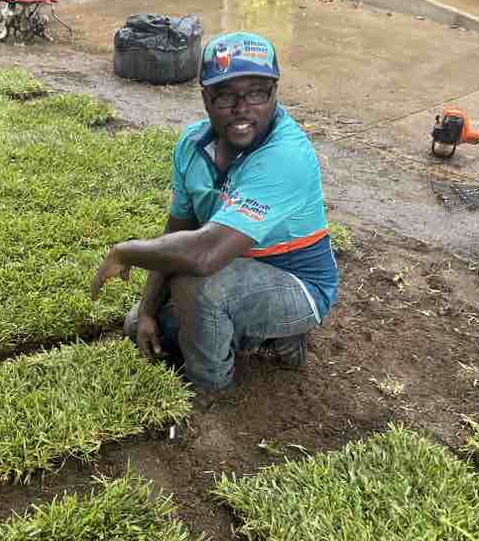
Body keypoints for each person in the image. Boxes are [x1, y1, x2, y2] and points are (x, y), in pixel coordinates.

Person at [90, 31, 339, 392]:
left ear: (273, 94)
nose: (242, 109)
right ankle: (261, 338)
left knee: (198, 285)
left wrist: (125, 250)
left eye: (256, 92)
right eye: (226, 95)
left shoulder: (285, 156)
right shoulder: (193, 147)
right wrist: (147, 310)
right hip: (232, 269)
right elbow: (180, 233)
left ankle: (211, 391)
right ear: (206, 97)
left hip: (299, 286)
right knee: (142, 329)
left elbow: (203, 257)